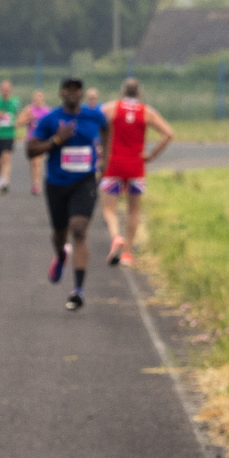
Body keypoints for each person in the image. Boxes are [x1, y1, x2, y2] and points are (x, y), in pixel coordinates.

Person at [27, 76, 108, 312]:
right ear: (61, 93)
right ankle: (61, 255)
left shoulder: (94, 116)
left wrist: (106, 162)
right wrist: (55, 140)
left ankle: (78, 290)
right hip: (56, 184)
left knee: (79, 229)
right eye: (68, 90)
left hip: (84, 182)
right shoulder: (50, 119)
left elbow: (107, 128)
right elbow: (30, 150)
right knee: (60, 234)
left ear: (82, 94)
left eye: (77, 90)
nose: (72, 94)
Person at [98, 77, 174, 267]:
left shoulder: (112, 108)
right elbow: (168, 133)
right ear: (139, 92)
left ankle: (116, 236)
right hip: (136, 165)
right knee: (134, 210)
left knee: (108, 208)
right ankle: (127, 253)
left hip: (115, 163)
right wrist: (152, 155)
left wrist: (99, 147)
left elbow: (94, 121)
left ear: (122, 91)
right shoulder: (147, 112)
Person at [18, 88, 49, 197]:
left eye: (40, 98)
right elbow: (18, 123)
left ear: (43, 99)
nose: (38, 100)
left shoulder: (47, 111)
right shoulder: (29, 109)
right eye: (36, 99)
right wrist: (28, 118)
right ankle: (34, 182)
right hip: (30, 140)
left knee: (37, 162)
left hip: (41, 140)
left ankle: (37, 184)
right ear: (33, 99)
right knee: (33, 163)